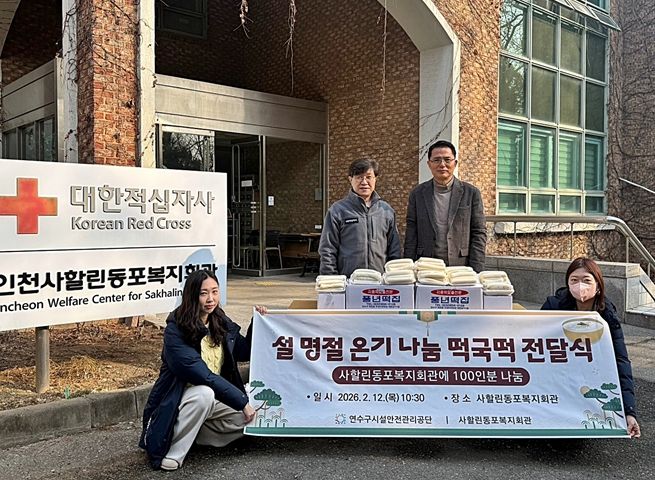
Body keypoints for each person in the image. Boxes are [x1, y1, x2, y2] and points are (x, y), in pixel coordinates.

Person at [139, 269, 267, 470]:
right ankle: (175, 452)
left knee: (257, 416)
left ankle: (196, 436)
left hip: (212, 401)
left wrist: (256, 322)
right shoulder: (176, 330)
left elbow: (244, 352)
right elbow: (204, 376)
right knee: (204, 393)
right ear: (192, 295)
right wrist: (241, 402)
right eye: (203, 293)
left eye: (215, 292)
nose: (210, 299)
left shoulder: (219, 321)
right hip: (180, 402)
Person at [541, 257, 641, 439]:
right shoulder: (553, 306)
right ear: (567, 283)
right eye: (574, 280)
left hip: (592, 375)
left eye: (586, 280)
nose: (580, 286)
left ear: (598, 286)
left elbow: (620, 361)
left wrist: (629, 412)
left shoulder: (607, 315)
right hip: (559, 373)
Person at [403, 140, 486, 272]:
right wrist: (409, 267)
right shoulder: (417, 194)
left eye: (447, 160)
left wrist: (476, 269)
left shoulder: (471, 193)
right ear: (429, 164)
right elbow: (411, 232)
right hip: (426, 265)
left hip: (461, 266)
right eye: (436, 160)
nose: (442, 165)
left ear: (455, 163)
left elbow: (478, 232)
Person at [318, 158, 401, 277]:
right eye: (359, 177)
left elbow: (395, 249)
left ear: (375, 179)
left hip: (380, 281)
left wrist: (394, 277)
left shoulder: (386, 211)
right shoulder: (338, 210)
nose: (364, 182)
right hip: (348, 281)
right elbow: (327, 249)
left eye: (368, 177)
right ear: (350, 179)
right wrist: (331, 279)